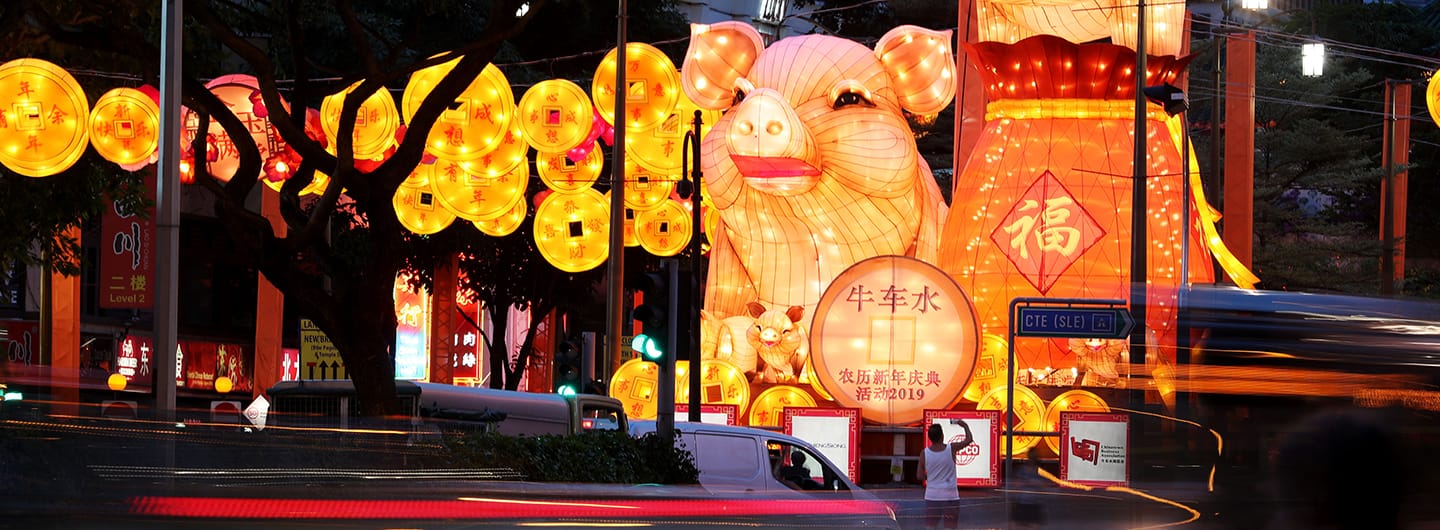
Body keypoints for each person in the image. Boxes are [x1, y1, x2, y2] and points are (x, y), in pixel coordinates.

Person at [918, 420, 973, 529]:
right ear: (942, 436)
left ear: (930, 438)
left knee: (930, 527)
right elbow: (969, 440)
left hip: (932, 496)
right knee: (950, 527)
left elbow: (919, 476)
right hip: (950, 496)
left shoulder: (924, 453)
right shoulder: (951, 448)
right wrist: (964, 425)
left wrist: (931, 478)